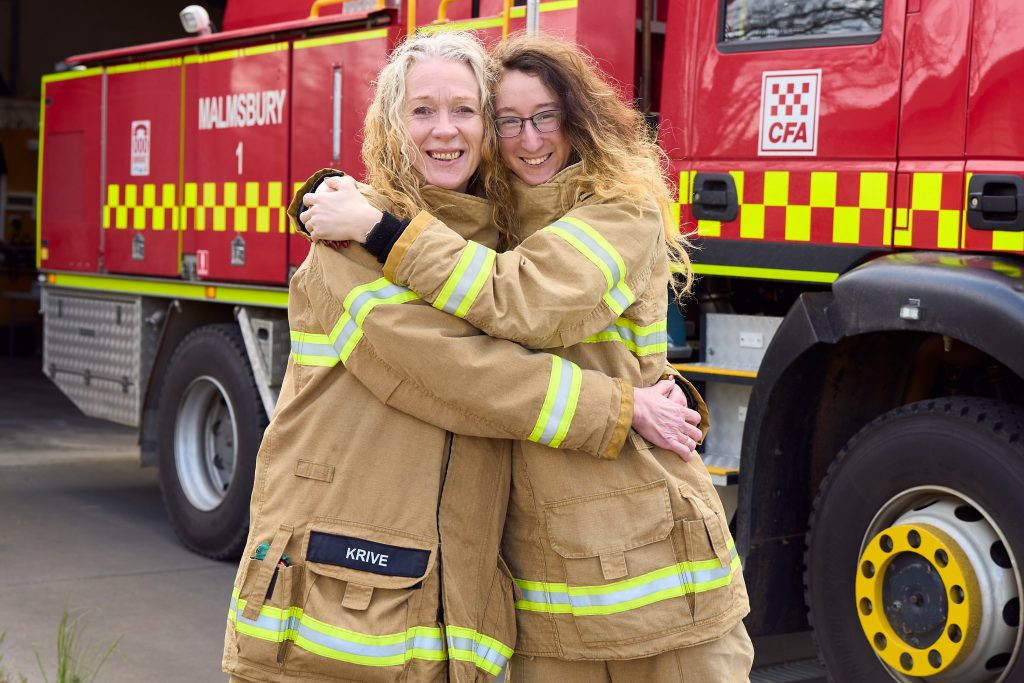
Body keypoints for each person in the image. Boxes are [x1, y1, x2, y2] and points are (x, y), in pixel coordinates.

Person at [223, 31, 703, 683]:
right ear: (391, 124)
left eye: (466, 111)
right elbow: (453, 374)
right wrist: (616, 406)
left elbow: (519, 297)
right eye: (422, 110)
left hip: (444, 620)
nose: (443, 131)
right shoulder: (351, 238)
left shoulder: (495, 246)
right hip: (331, 618)